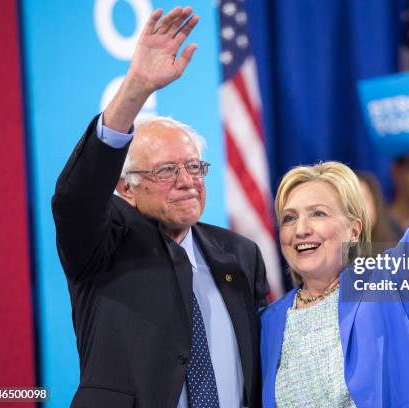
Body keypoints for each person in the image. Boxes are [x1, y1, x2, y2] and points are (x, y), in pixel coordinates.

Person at [260, 42, 409, 407]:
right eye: (289, 218)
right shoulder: (268, 323)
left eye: (319, 214)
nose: (301, 229)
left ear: (354, 230)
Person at [52, 6, 268, 408]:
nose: (187, 181)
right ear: (125, 188)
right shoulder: (101, 245)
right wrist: (136, 88)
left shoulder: (240, 255)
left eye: (194, 167)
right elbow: (76, 197)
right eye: (167, 170)